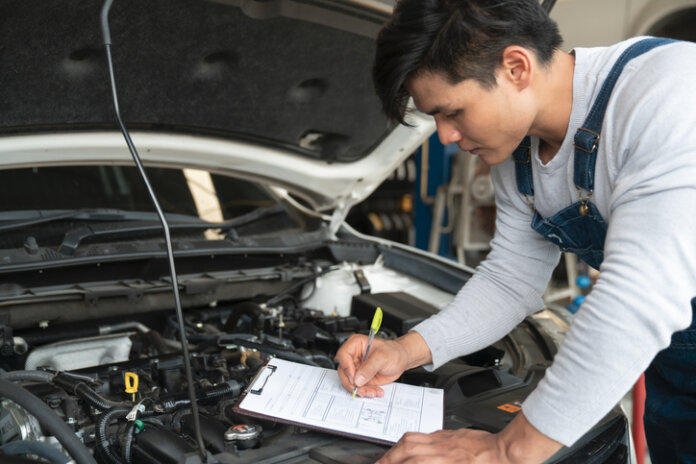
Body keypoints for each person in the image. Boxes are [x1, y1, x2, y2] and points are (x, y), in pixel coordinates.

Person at [334, 0, 696, 462]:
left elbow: (640, 292)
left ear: (516, 67)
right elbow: (509, 281)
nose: (444, 136)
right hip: (678, 372)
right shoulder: (518, 157)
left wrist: (508, 450)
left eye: (453, 112)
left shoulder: (667, 92)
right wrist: (405, 351)